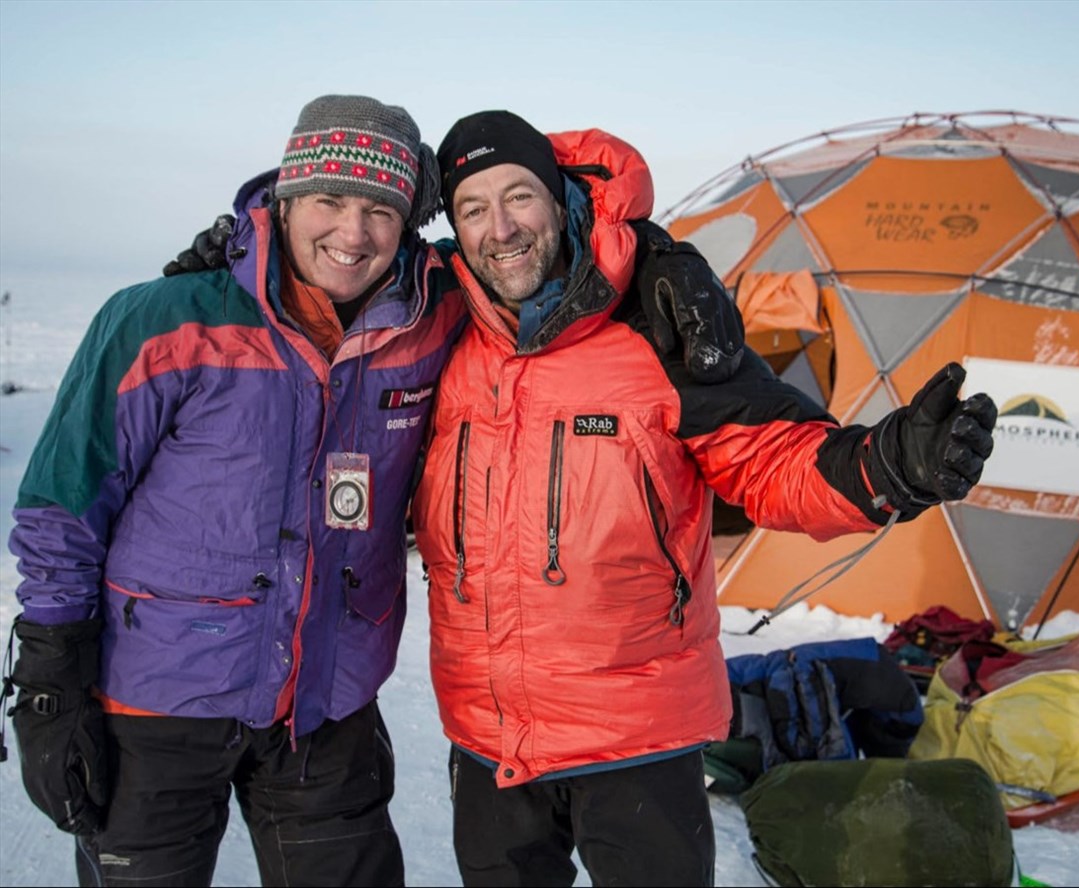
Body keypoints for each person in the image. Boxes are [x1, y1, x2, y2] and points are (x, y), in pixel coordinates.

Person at [2, 96, 742, 888]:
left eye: (381, 211)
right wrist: (50, 675)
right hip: (155, 706)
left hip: (328, 709)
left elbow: (537, 261)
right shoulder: (164, 323)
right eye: (329, 200)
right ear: (286, 198)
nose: (353, 235)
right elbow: (63, 511)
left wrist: (657, 259)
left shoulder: (434, 312)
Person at [410, 111, 998, 887]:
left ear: (560, 197)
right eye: (474, 208)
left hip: (638, 739)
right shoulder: (437, 336)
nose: (501, 228)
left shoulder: (650, 328)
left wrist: (887, 468)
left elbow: (769, 459)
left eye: (519, 196)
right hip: (490, 744)